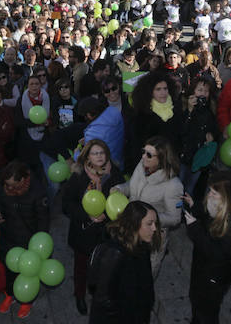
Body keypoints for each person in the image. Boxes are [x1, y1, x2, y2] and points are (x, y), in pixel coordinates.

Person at [182, 173, 231, 324]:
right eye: (210, 190)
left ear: (227, 198)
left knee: (206, 311)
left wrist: (195, 230)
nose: (209, 194)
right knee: (197, 302)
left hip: (213, 277)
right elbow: (207, 216)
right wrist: (194, 206)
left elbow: (217, 253)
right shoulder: (221, 209)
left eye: (214, 192)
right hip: (202, 269)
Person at [61, 139, 125, 315]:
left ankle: (97, 292)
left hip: (106, 233)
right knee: (81, 266)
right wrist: (86, 214)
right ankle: (80, 295)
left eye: (102, 153)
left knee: (103, 266)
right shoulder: (78, 176)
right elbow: (66, 204)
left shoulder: (115, 174)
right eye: (95, 153)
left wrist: (108, 214)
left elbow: (121, 200)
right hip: (83, 231)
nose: (99, 156)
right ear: (87, 156)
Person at [111, 135, 183, 276]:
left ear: (162, 158)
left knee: (145, 274)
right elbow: (131, 186)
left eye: (149, 155)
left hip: (152, 237)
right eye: (143, 151)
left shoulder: (173, 186)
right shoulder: (142, 165)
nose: (144, 156)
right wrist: (120, 189)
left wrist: (148, 219)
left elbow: (175, 218)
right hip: (131, 228)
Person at [0, 160, 50, 319]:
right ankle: (10, 294)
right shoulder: (3, 186)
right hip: (8, 237)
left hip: (29, 241)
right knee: (9, 268)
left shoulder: (38, 192)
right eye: (6, 184)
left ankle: (27, 300)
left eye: (12, 185)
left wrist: (39, 246)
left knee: (28, 272)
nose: (8, 188)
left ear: (23, 180)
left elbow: (43, 221)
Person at [87, 200, 160, 324]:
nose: (154, 228)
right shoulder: (114, 253)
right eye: (149, 223)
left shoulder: (141, 244)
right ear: (134, 224)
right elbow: (102, 298)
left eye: (155, 223)